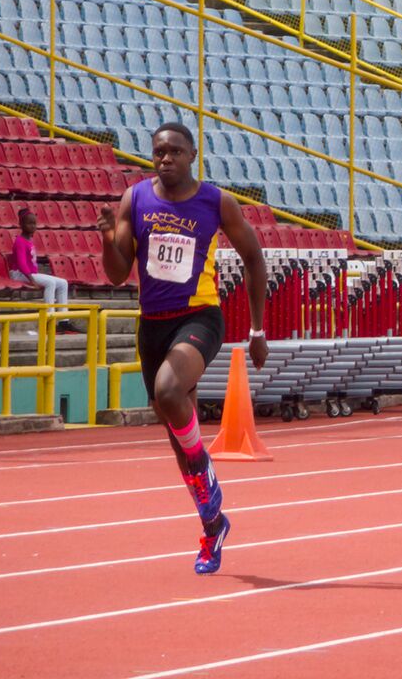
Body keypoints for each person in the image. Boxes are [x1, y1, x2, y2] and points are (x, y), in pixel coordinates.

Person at [98, 122, 269, 574]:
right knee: (179, 444)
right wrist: (107, 240)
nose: (166, 158)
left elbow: (254, 259)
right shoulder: (135, 199)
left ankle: (205, 468)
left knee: (169, 390)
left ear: (193, 154)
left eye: (175, 151)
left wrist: (257, 330)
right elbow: (117, 273)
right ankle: (213, 528)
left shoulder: (217, 202)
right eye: (159, 152)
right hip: (152, 325)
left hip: (199, 317)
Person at [9, 208, 78, 334]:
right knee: (50, 283)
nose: (33, 226)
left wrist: (33, 277)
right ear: (21, 224)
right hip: (19, 273)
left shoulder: (29, 240)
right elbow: (21, 264)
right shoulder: (19, 241)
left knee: (63, 283)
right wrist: (32, 280)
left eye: (34, 223)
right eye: (29, 223)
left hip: (29, 273)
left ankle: (63, 321)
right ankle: (49, 321)